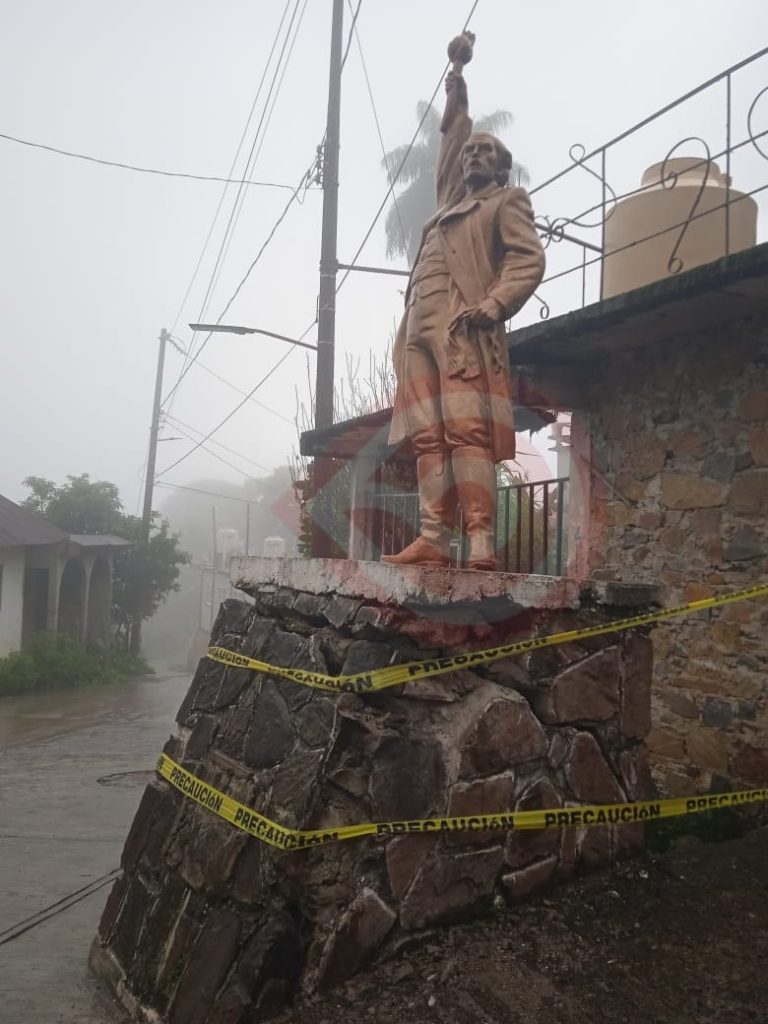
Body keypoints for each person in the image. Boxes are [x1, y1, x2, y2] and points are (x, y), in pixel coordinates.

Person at [382, 32, 545, 570]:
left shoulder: (506, 201)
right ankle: (432, 536)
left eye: (486, 152)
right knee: (428, 435)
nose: (473, 155)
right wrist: (457, 91)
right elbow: (450, 144)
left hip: (462, 328)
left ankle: (479, 540)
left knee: (465, 430)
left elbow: (527, 260)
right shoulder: (449, 203)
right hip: (417, 331)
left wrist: (496, 304)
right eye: (473, 149)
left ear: (500, 170)